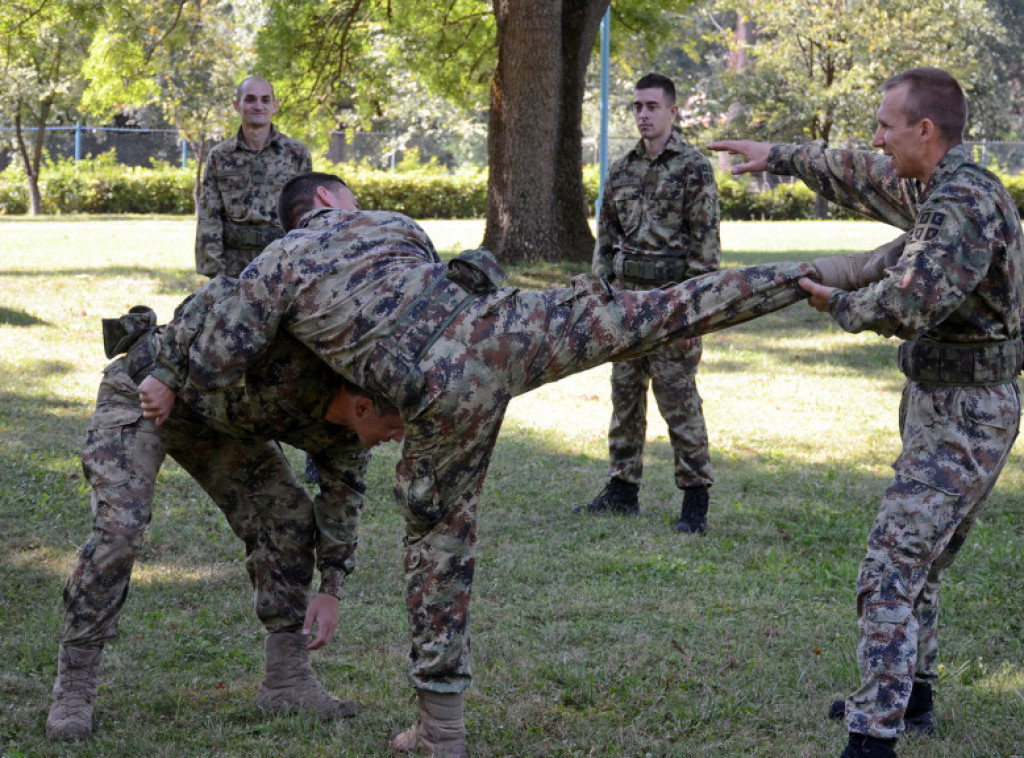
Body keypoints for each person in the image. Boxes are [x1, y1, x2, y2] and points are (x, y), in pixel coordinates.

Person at [138, 170, 826, 757]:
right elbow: (447, 285)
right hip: (505, 333)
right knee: (655, 312)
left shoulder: (280, 261)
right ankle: (805, 278)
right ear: (328, 199)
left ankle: (441, 731)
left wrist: (173, 369)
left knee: (440, 547)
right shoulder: (396, 222)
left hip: (430, 389)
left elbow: (223, 353)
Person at [710, 67, 1023, 758]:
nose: (877, 138)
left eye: (887, 125)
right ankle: (911, 697)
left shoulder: (963, 205)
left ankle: (874, 734)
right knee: (922, 561)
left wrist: (841, 304)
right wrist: (780, 156)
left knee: (891, 564)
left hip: (970, 411)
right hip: (942, 396)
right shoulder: (930, 184)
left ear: (925, 131)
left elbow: (911, 302)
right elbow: (857, 171)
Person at [45, 284, 403, 741]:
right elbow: (218, 294)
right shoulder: (298, 351)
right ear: (364, 405)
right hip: (148, 388)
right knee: (121, 526)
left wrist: (331, 587)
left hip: (220, 421)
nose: (396, 439)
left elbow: (342, 502)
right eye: (393, 428)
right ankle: (74, 686)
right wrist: (169, 374)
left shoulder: (351, 436)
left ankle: (287, 681)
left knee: (288, 517)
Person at [578, 72, 720, 534]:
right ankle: (622, 489)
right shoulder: (620, 170)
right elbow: (608, 240)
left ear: (672, 112)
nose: (643, 114)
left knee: (678, 401)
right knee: (624, 397)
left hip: (672, 304)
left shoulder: (694, 168)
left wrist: (694, 310)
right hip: (626, 304)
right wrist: (602, 296)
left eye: (652, 107)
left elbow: (706, 249)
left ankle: (694, 501)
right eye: (637, 106)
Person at [194, 75, 312, 278]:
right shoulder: (220, 156)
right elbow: (209, 216)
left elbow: (307, 216)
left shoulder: (296, 153)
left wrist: (301, 266)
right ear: (236, 105)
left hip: (282, 264)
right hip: (233, 268)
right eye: (250, 99)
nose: (258, 106)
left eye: (265, 100)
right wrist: (215, 273)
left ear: (274, 105)